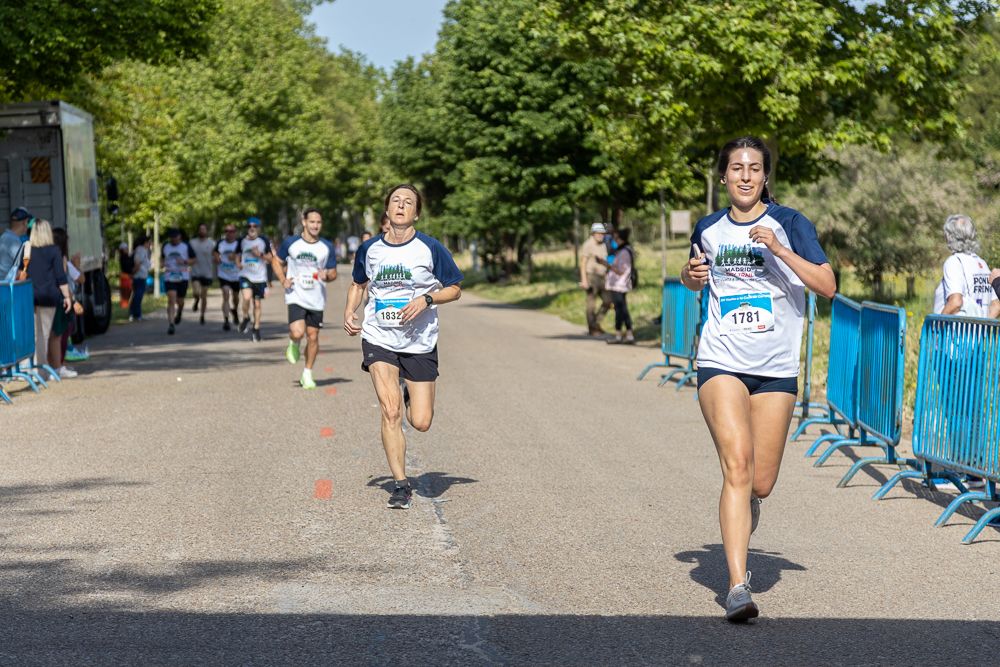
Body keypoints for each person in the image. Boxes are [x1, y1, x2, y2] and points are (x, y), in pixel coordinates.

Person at [680, 136, 835, 622]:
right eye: (735, 168)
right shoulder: (707, 228)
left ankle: (745, 512)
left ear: (765, 177)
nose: (744, 176)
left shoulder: (790, 223)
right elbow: (695, 277)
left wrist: (780, 250)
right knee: (737, 466)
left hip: (776, 369)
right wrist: (690, 277)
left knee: (760, 484)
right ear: (723, 176)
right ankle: (737, 587)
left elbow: (828, 286)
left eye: (754, 168)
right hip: (720, 360)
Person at [344, 184, 463, 509]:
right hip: (379, 337)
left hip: (419, 341)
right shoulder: (369, 249)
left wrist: (426, 298)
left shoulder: (429, 248)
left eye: (408, 202)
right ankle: (400, 484)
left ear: (416, 213)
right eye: (395, 201)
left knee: (421, 421)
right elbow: (358, 284)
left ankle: (409, 390)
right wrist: (349, 311)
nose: (400, 205)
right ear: (387, 210)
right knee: (390, 410)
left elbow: (454, 289)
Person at [272, 208, 338, 389]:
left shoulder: (326, 247)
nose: (315, 225)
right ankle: (293, 342)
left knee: (313, 337)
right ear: (304, 222)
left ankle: (307, 373)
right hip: (296, 294)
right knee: (298, 332)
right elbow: (276, 261)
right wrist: (283, 279)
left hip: (316, 297)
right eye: (312, 222)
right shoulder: (291, 243)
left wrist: (327, 275)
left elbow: (333, 273)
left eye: (318, 222)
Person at [25, 220, 71, 377]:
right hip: (48, 297)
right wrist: (67, 297)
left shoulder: (27, 249)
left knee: (32, 334)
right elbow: (60, 276)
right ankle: (41, 370)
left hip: (29, 297)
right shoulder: (54, 250)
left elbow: (20, 273)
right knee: (44, 334)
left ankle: (32, 367)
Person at [932, 214, 1000, 319]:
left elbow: (956, 302)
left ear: (950, 237)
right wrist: (982, 329)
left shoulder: (954, 262)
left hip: (955, 334)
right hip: (977, 335)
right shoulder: (982, 264)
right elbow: (996, 305)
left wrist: (936, 328)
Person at [236, 216, 272, 342]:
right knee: (246, 297)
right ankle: (246, 317)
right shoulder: (241, 241)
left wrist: (259, 255)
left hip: (260, 277)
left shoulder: (264, 241)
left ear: (259, 228)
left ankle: (256, 328)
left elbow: (271, 259)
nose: (252, 228)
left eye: (254, 226)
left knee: (257, 304)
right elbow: (237, 255)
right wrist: (238, 263)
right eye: (249, 226)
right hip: (245, 274)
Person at [604, 228, 636, 344]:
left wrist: (606, 265)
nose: (614, 240)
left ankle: (619, 334)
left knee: (620, 310)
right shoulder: (625, 250)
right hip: (620, 284)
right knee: (622, 309)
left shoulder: (623, 252)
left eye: (616, 238)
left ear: (620, 239)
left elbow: (621, 270)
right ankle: (628, 334)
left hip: (619, 284)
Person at [162, 228, 196, 335]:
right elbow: (162, 259)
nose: (174, 239)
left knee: (180, 301)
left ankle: (180, 311)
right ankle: (171, 324)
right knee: (171, 299)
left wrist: (185, 261)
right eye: (172, 237)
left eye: (175, 237)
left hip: (182, 276)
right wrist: (162, 264)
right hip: (169, 276)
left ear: (179, 237)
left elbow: (194, 260)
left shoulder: (186, 246)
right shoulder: (165, 246)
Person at [579, 222, 611, 336]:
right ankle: (592, 329)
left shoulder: (603, 245)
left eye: (602, 233)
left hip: (602, 276)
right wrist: (584, 280)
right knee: (591, 304)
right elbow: (583, 263)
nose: (600, 235)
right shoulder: (588, 244)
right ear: (593, 233)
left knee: (608, 301)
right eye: (598, 233)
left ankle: (595, 324)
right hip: (591, 276)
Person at [214, 223, 242, 330]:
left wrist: (235, 257)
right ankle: (226, 320)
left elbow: (244, 254)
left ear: (235, 232)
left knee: (235, 297)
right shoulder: (220, 243)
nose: (229, 233)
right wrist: (217, 258)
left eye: (231, 231)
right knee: (225, 294)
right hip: (223, 274)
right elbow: (215, 252)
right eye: (226, 231)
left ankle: (235, 310)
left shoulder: (239, 243)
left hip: (236, 274)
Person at [189, 223, 216, 325]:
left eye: (204, 229)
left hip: (207, 272)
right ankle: (196, 300)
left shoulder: (212, 243)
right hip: (195, 271)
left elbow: (216, 255)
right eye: (200, 229)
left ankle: (202, 315)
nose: (202, 231)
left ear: (206, 231)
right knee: (196, 292)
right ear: (198, 231)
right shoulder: (192, 243)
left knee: (204, 295)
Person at [1, 207, 31, 280]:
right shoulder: (13, 241)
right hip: (6, 286)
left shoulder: (4, 236)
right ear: (24, 223)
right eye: (28, 222)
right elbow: (26, 263)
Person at [129, 234, 151, 322]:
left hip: (141, 275)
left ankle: (135, 314)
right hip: (139, 276)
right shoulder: (140, 250)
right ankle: (136, 314)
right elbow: (137, 263)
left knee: (137, 295)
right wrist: (133, 273)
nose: (150, 244)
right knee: (138, 296)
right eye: (149, 242)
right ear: (145, 242)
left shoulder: (143, 250)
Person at [117, 242, 134, 308]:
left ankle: (125, 305)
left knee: (126, 292)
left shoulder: (124, 257)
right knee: (126, 291)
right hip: (126, 277)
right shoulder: (124, 257)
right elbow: (128, 266)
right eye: (126, 249)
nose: (127, 250)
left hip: (126, 276)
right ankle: (125, 305)